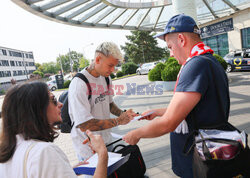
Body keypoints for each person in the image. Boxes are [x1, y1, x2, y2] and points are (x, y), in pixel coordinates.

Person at [123, 14, 230, 178]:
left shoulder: (195, 65)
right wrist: (158, 111)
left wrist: (135, 134)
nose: (171, 54)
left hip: (199, 161)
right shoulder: (210, 61)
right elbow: (197, 109)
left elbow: (169, 123)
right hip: (213, 152)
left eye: (170, 47)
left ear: (181, 39)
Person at [0, 82, 108, 178]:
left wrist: (63, 170)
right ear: (37, 109)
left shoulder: (8, 149)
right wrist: (102, 154)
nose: (61, 104)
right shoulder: (44, 152)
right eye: (53, 100)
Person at [68, 42, 136, 162]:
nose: (113, 70)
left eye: (115, 66)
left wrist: (123, 114)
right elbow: (84, 125)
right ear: (98, 59)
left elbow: (109, 103)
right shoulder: (79, 84)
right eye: (110, 65)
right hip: (89, 149)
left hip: (107, 141)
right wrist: (118, 121)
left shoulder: (106, 77)